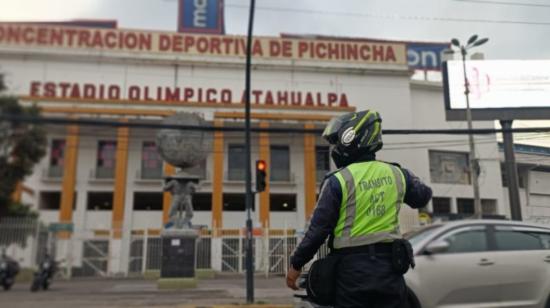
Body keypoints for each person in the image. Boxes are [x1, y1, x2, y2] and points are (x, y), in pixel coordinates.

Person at [286, 110, 432, 308]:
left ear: (350, 139)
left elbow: (318, 230)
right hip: (390, 271)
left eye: (337, 141)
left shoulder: (338, 180)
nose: (335, 148)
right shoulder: (397, 174)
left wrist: (296, 265)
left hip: (352, 274)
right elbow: (423, 196)